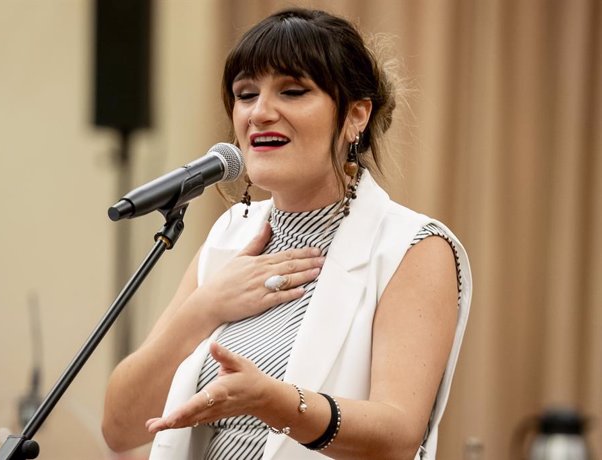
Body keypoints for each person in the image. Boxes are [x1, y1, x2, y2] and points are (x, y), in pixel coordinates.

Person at [101, 7, 471, 460]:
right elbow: (120, 427)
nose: (259, 113)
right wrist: (205, 307)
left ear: (356, 115)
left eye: (293, 91)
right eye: (245, 94)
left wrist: (275, 402)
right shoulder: (229, 236)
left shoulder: (411, 247)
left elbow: (398, 435)